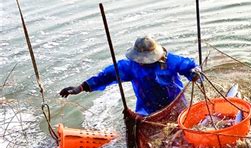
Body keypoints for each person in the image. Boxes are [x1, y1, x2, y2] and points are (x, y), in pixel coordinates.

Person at [59, 35, 201, 116]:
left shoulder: (170, 60)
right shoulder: (130, 67)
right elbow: (105, 76)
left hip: (176, 105)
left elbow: (189, 67)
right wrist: (81, 87)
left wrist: (194, 74)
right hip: (148, 110)